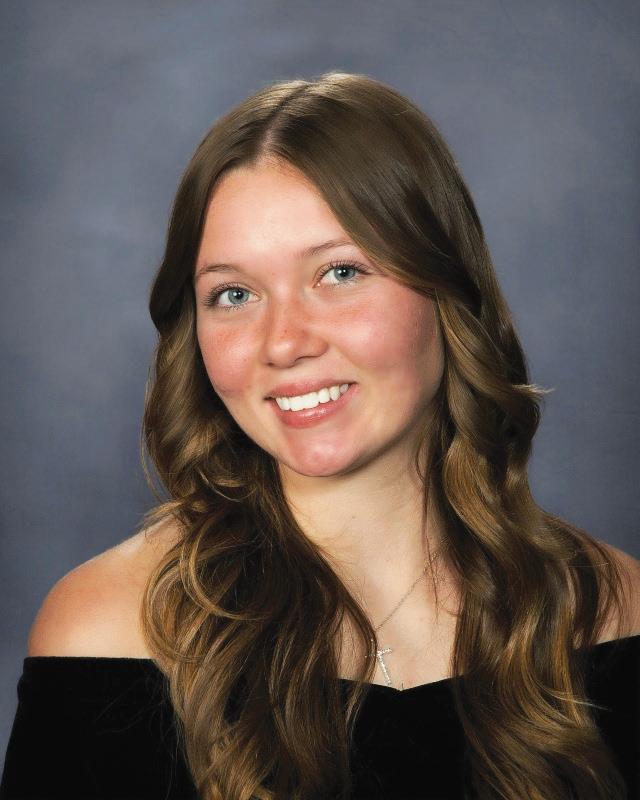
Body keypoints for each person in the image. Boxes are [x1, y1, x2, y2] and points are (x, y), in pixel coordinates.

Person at [1, 71, 638, 800]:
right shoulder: (104, 634)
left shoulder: (616, 612)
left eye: (339, 273)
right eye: (233, 294)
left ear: (446, 289)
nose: (284, 342)